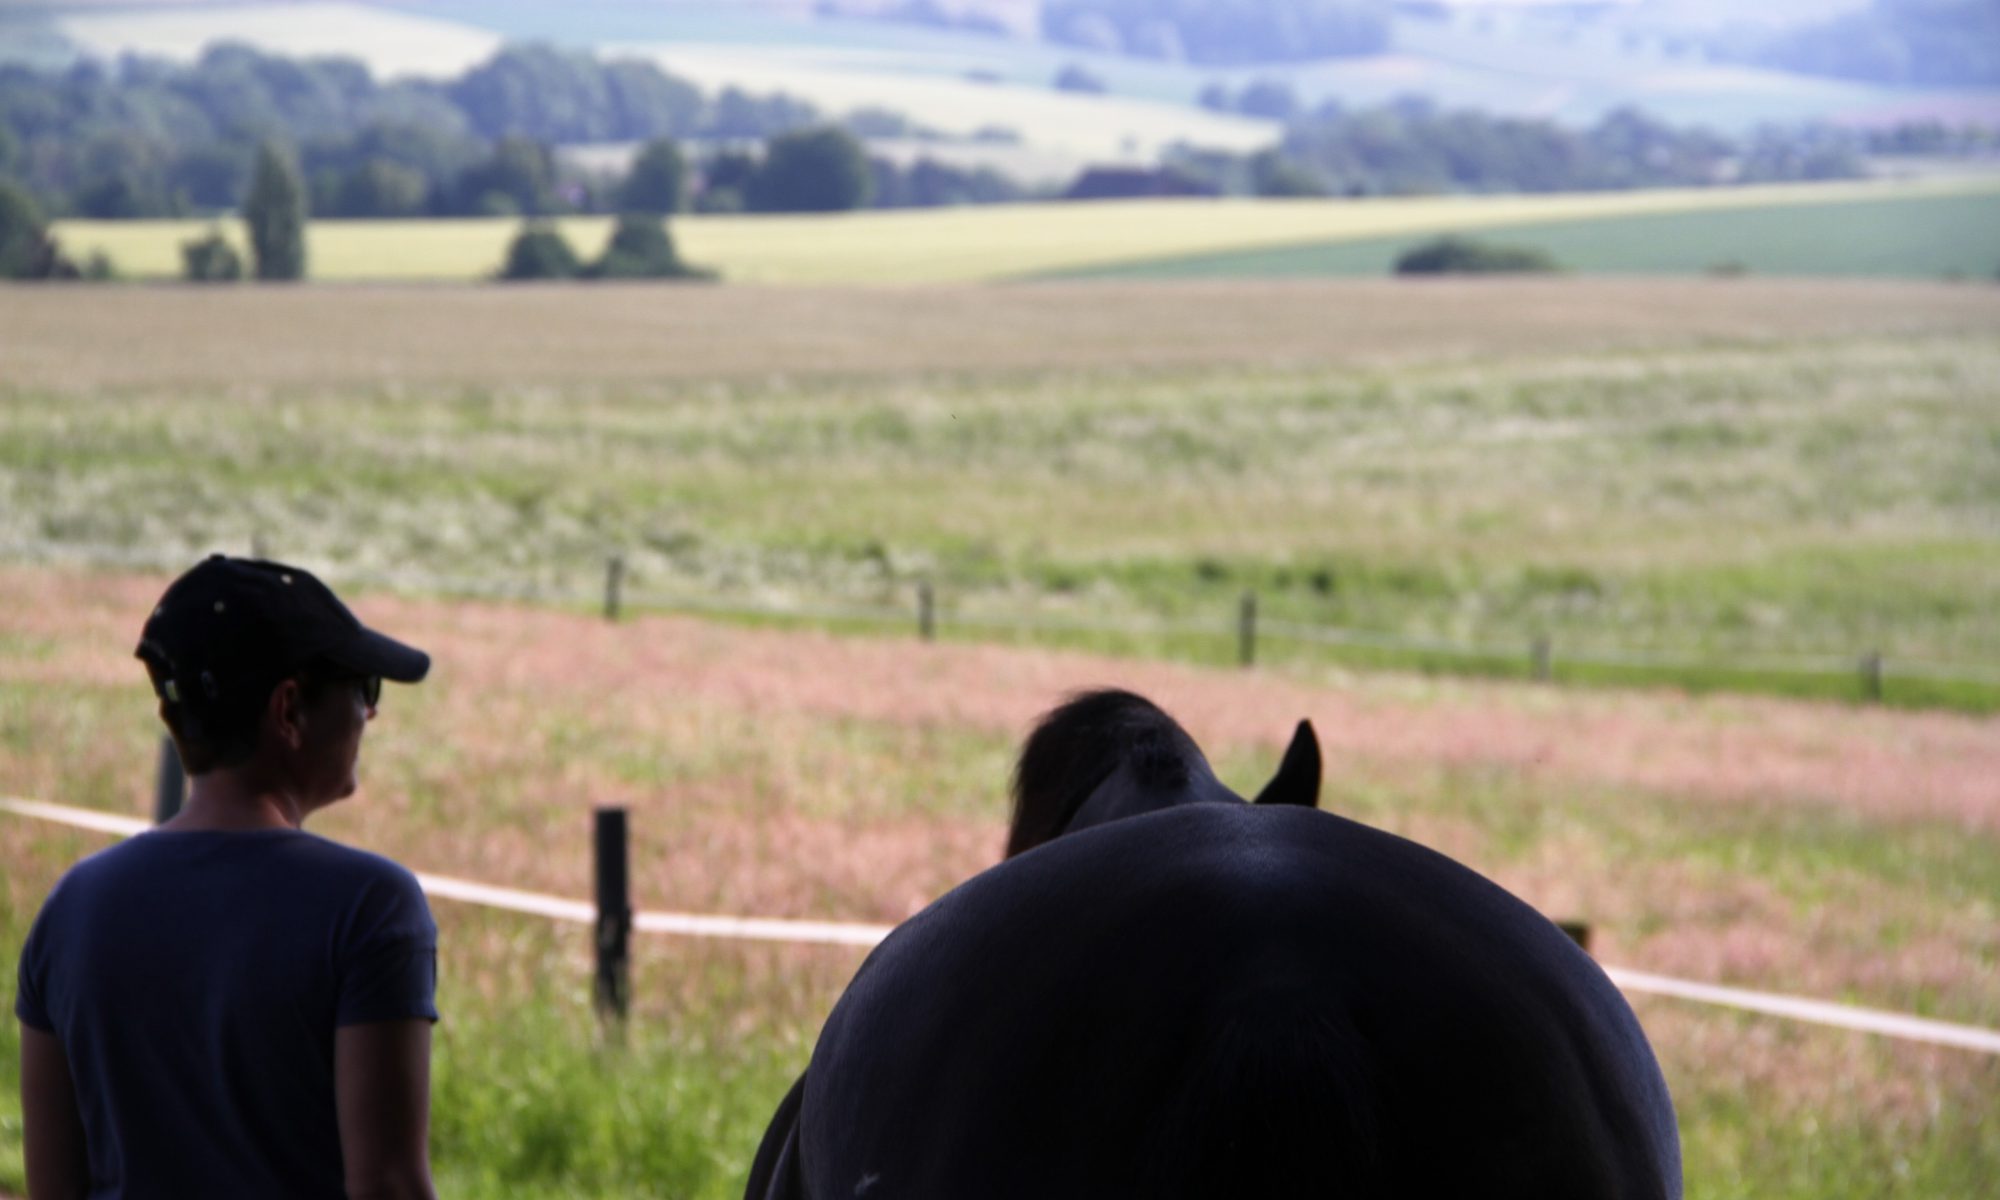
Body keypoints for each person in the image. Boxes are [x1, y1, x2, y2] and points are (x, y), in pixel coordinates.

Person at [15, 555, 441, 1199]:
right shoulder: (369, 908)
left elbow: (53, 1191)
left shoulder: (73, 907)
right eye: (365, 689)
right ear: (290, 709)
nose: (370, 716)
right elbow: (387, 1185)